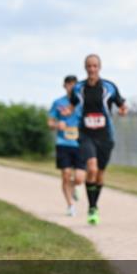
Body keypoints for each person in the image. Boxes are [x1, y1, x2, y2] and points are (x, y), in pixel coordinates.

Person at [70, 55, 127, 225]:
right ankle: (92, 207)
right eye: (89, 66)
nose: (92, 69)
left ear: (99, 67)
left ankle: (94, 204)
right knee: (92, 168)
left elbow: (121, 104)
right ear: (85, 67)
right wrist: (68, 111)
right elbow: (73, 105)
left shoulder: (109, 87)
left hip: (105, 136)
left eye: (95, 66)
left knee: (100, 174)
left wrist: (124, 110)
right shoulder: (78, 88)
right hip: (86, 134)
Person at [49, 75, 86, 216]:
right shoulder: (58, 102)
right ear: (64, 86)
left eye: (74, 84)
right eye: (68, 84)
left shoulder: (82, 104)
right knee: (65, 174)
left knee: (79, 178)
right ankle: (70, 205)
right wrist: (57, 124)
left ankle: (75, 186)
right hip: (63, 143)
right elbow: (50, 123)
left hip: (80, 144)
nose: (71, 87)